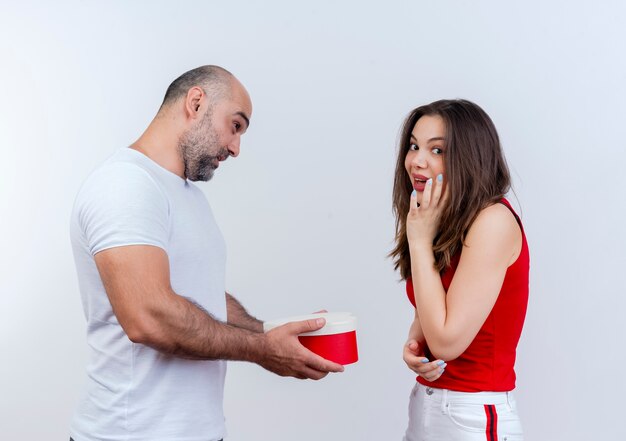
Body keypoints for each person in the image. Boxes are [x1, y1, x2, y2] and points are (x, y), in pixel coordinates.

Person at [69, 65, 344, 441]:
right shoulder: (125, 184)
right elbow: (150, 317)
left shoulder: (187, 196)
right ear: (196, 103)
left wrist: (272, 330)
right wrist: (264, 350)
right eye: (235, 125)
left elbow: (200, 293)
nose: (235, 148)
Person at [390, 99, 529, 440]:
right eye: (414, 146)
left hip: (473, 416)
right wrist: (415, 341)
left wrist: (420, 241)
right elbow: (434, 312)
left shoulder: (493, 221)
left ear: (470, 156)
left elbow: (448, 342)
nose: (417, 161)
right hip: (428, 407)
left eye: (437, 150)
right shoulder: (443, 217)